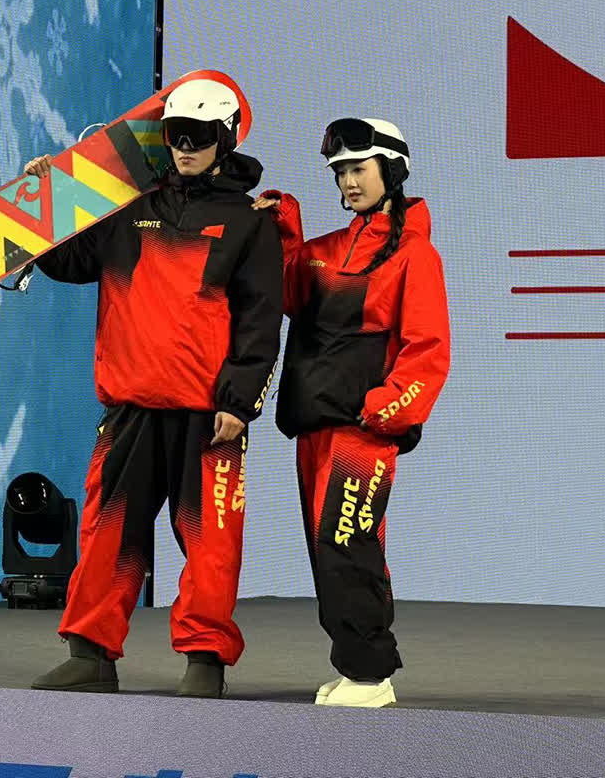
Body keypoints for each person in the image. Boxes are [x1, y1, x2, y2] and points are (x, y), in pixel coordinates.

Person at [26, 75, 283, 698]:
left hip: (207, 413)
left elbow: (261, 318)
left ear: (225, 139)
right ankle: (91, 655)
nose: (185, 147)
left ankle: (204, 661)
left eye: (199, 136)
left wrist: (240, 401)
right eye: (175, 135)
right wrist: (43, 205)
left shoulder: (248, 223)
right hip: (131, 405)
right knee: (107, 532)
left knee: (210, 542)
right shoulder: (129, 209)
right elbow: (69, 261)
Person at [253, 117, 450, 709]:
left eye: (359, 169)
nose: (348, 181)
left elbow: (427, 350)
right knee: (324, 548)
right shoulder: (324, 252)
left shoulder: (414, 254)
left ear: (391, 170)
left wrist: (382, 411)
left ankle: (372, 675)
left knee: (348, 542)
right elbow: (287, 294)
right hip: (313, 424)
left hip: (363, 430)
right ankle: (352, 665)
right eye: (340, 172)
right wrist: (284, 229)